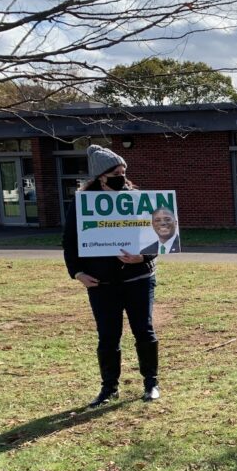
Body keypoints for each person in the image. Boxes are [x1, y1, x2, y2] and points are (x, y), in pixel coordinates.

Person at [62, 145, 161, 405]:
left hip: (138, 279)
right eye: (116, 172)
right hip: (101, 283)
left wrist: (144, 257)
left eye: (124, 171)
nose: (122, 175)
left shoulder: (138, 198)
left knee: (144, 331)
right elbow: (70, 241)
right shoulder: (82, 204)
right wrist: (78, 272)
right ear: (100, 176)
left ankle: (151, 383)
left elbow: (156, 237)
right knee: (108, 336)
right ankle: (109, 388)